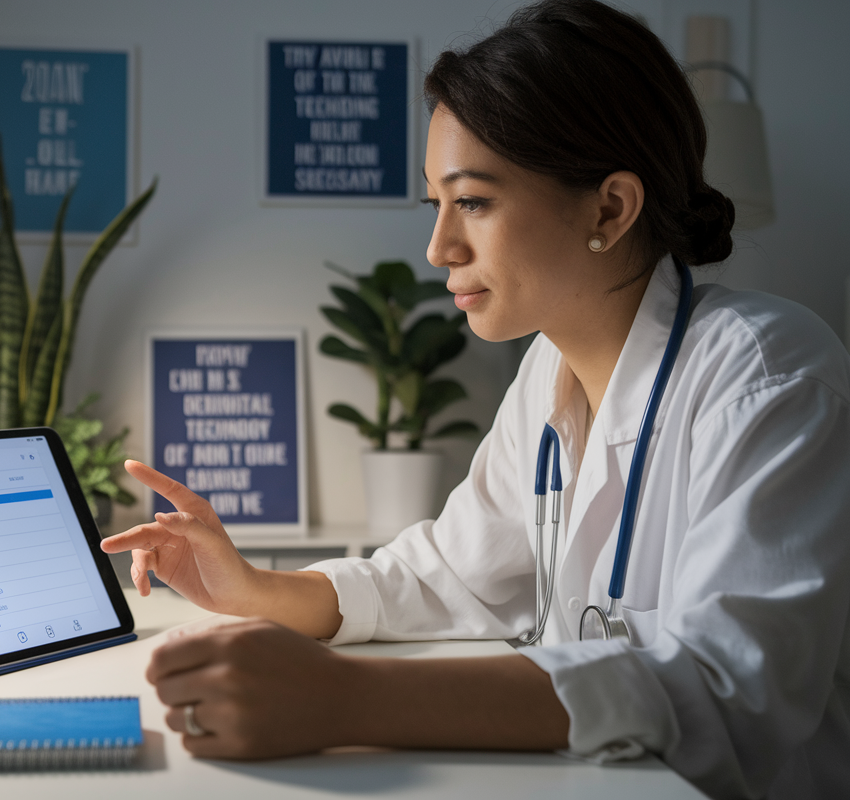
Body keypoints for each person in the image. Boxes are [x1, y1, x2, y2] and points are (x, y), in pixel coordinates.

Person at [101, 1, 850, 797]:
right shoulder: (547, 373)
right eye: (437, 204)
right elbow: (447, 576)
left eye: (475, 202)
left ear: (609, 207)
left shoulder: (768, 372)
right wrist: (252, 589)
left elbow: (729, 691)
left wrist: (347, 701)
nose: (438, 248)